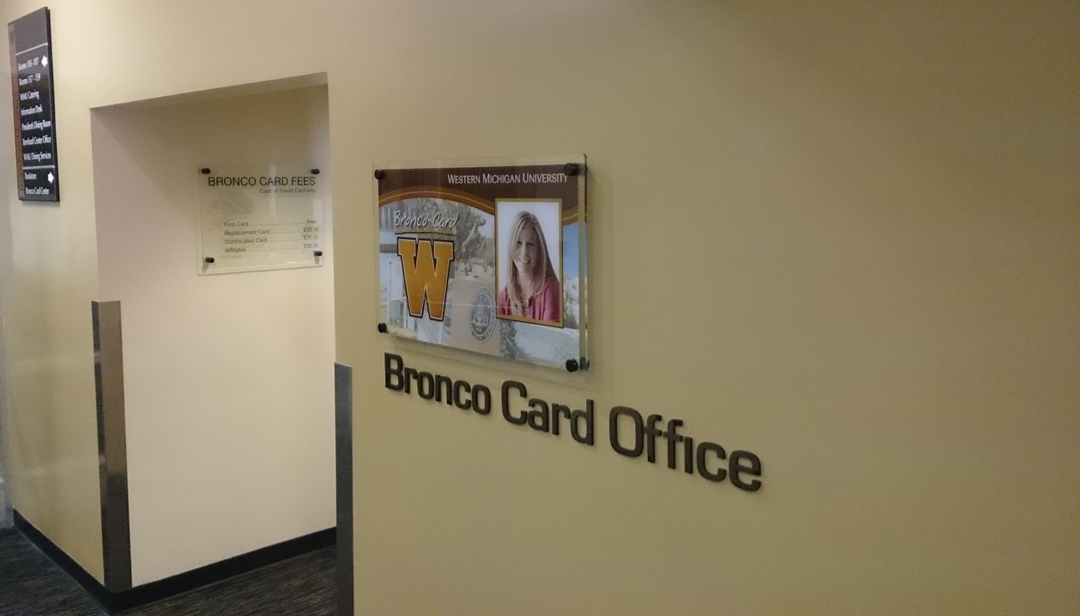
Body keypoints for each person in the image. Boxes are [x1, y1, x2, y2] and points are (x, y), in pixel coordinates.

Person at [497, 210, 561, 325]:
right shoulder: (503, 297)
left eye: (530, 244)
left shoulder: (551, 291)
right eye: (518, 243)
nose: (524, 252)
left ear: (539, 252)